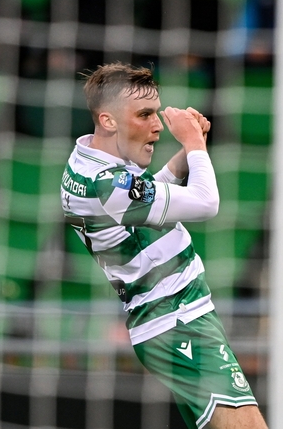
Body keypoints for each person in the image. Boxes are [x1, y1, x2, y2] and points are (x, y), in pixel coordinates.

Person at [60, 62, 267, 429]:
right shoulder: (107, 183)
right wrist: (195, 144)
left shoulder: (89, 162)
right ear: (108, 120)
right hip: (176, 321)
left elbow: (143, 199)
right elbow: (206, 203)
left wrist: (185, 156)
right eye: (144, 115)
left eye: (156, 112)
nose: (157, 125)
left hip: (174, 319)